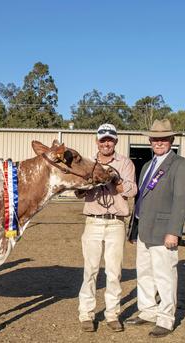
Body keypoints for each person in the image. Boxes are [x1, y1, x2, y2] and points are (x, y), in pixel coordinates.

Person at [126, 119, 185, 337]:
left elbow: (181, 200)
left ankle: (165, 318)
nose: (159, 142)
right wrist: (134, 228)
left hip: (164, 231)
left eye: (164, 138)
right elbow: (142, 199)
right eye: (155, 138)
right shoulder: (147, 165)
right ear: (150, 141)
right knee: (144, 273)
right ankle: (147, 311)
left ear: (172, 140)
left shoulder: (181, 164)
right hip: (145, 228)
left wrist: (174, 231)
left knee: (165, 276)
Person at [76, 123, 137, 332]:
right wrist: (89, 182)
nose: (106, 143)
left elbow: (131, 191)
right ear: (97, 141)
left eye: (110, 139)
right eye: (103, 139)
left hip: (115, 222)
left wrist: (115, 178)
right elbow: (78, 192)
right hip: (93, 220)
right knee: (90, 270)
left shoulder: (125, 162)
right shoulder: (88, 162)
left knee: (114, 272)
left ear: (115, 141)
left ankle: (112, 314)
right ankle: (86, 314)